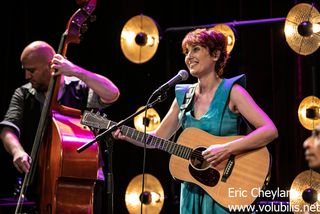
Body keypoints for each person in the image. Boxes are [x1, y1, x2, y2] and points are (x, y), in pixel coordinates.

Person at [112, 28, 278, 213]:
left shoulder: (233, 91)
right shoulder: (183, 96)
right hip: (192, 192)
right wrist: (125, 134)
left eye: (196, 49)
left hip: (225, 187)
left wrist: (226, 149)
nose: (189, 57)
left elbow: (269, 130)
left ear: (215, 55)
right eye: (186, 52)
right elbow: (157, 138)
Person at [0, 40, 120, 213]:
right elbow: (8, 130)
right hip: (41, 184)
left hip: (85, 182)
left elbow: (112, 94)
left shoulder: (80, 88)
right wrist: (17, 151)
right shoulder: (23, 93)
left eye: (31, 70)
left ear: (50, 66)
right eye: (25, 70)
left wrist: (77, 71)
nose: (27, 76)